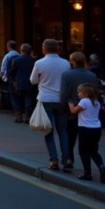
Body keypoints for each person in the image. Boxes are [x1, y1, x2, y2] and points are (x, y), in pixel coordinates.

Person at [30, 39, 72, 172]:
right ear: (58, 49)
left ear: (44, 49)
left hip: (45, 99)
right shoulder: (65, 63)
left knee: (48, 130)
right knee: (63, 130)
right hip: (61, 100)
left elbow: (33, 80)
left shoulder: (39, 62)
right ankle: (67, 159)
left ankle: (53, 160)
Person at [60, 51, 100, 168]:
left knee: (70, 138)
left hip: (72, 110)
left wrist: (64, 108)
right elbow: (95, 92)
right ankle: (93, 165)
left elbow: (64, 95)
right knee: (88, 144)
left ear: (73, 61)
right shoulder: (91, 75)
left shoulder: (67, 75)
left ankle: (69, 160)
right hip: (88, 113)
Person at [68, 83, 105, 183]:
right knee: (93, 151)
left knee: (83, 152)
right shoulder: (96, 102)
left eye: (79, 92)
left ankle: (87, 173)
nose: (78, 94)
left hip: (85, 129)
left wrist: (70, 103)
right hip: (96, 128)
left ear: (85, 94)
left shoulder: (84, 101)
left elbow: (74, 111)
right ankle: (101, 166)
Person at [8, 44, 37, 124]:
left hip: (19, 83)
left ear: (21, 50)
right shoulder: (33, 61)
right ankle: (28, 115)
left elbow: (12, 73)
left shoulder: (16, 60)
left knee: (16, 98)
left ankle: (18, 115)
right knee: (28, 99)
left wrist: (12, 81)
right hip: (30, 83)